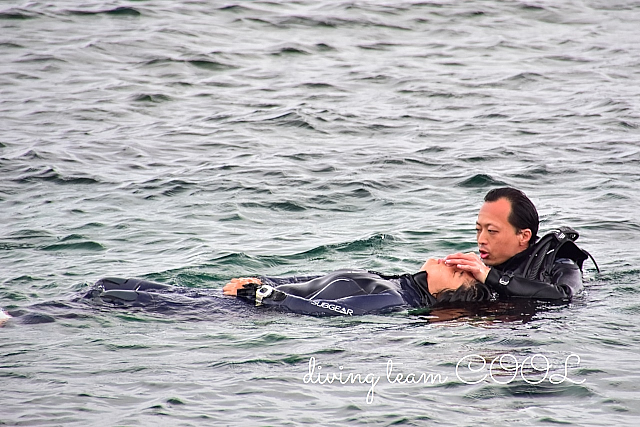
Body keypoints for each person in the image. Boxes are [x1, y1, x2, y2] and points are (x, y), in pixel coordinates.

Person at [86, 258, 492, 318]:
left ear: (444, 295)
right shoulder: (390, 278)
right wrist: (262, 281)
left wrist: (265, 297)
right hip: (241, 299)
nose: (456, 262)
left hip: (239, 313)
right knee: (110, 284)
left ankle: (31, 318)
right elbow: (310, 284)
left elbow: (333, 312)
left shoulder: (390, 298)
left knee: (117, 297)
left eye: (462, 273)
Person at [442, 187, 596, 301]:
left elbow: (566, 295)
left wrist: (491, 277)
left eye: (492, 231)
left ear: (523, 236)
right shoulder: (483, 270)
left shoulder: (561, 265)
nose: (481, 239)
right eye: (478, 229)